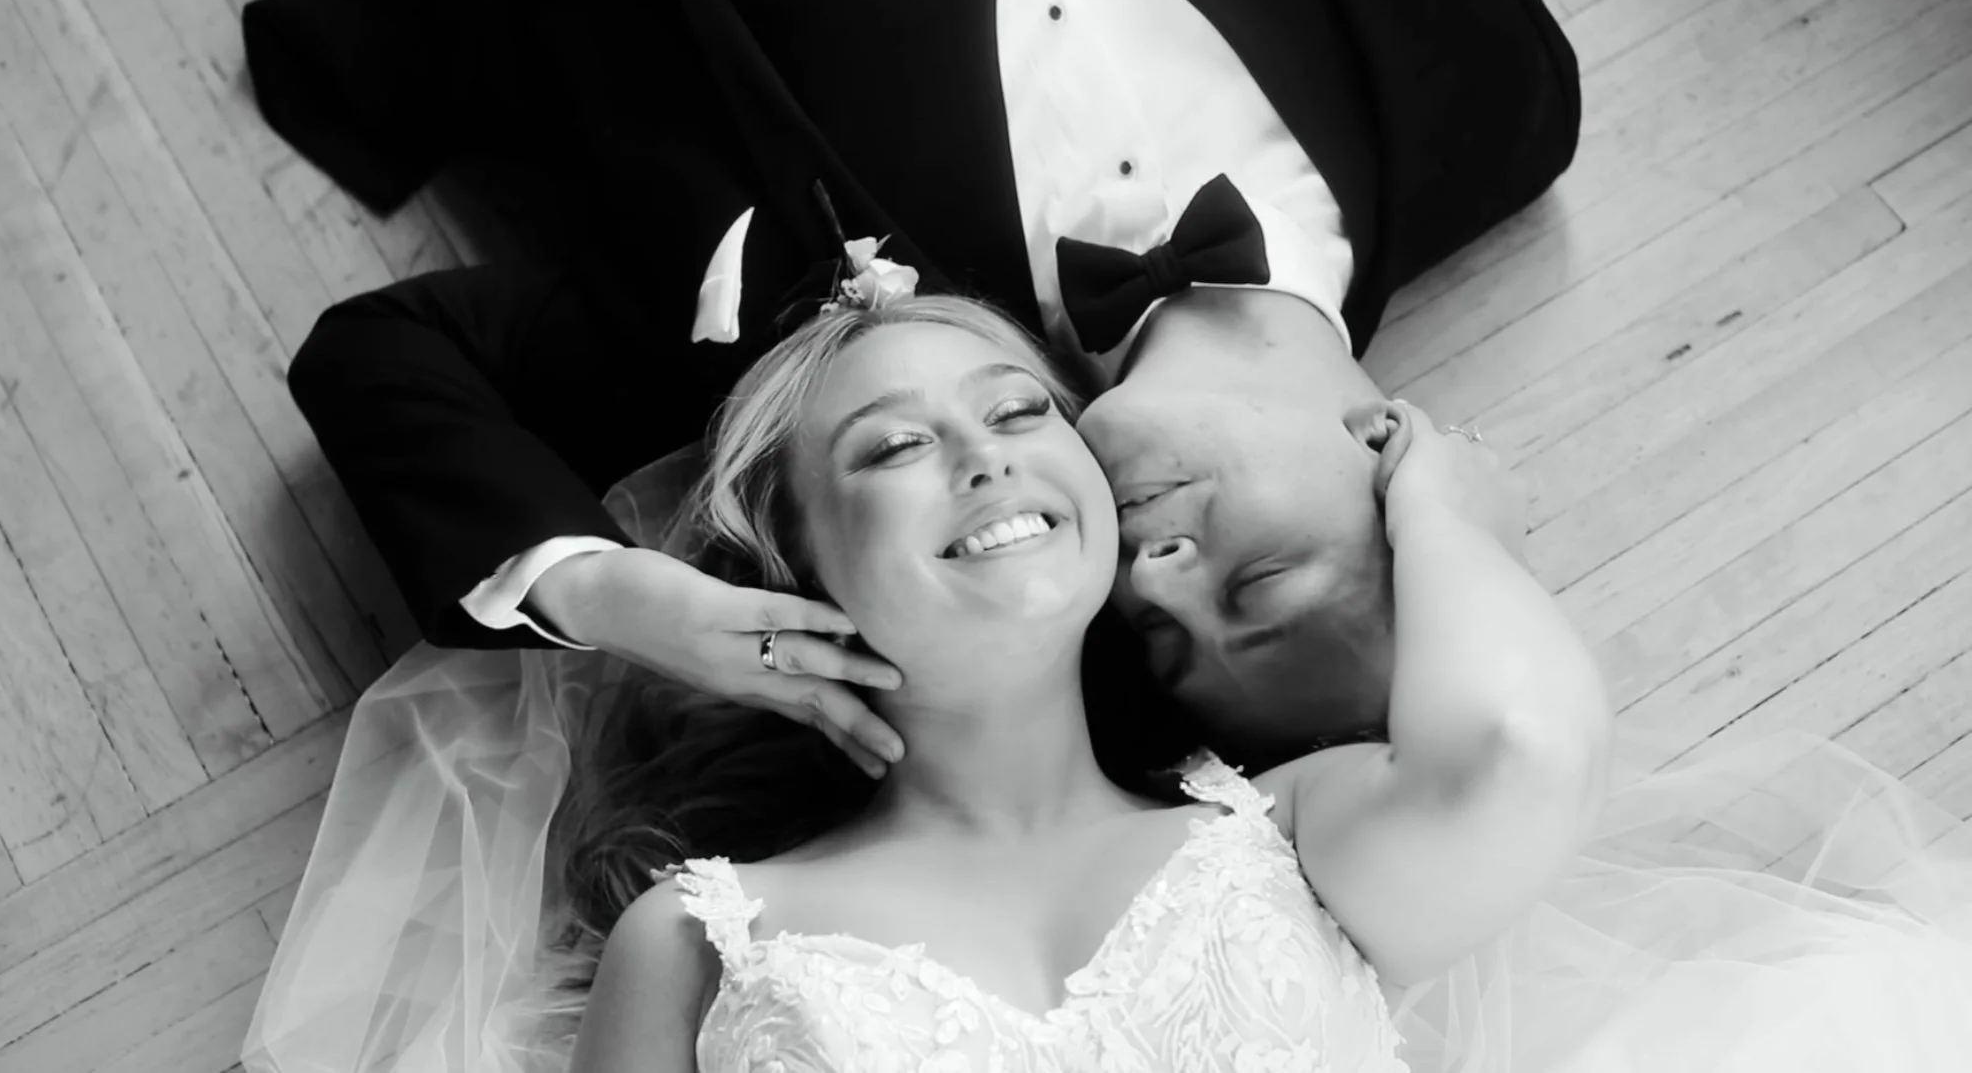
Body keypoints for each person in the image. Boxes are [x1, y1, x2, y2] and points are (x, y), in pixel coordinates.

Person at [243, 289, 1972, 1073]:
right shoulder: (697, 940)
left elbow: (1520, 746)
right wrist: (640, 600)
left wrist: (1441, 498)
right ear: (800, 575)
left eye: (1019, 416)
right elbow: (378, 354)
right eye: (895, 451)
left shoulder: (1283, 841)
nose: (989, 463)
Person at [242, 0, 1583, 762]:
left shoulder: (836, 360)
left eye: (1163, 639)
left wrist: (615, 596)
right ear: (1390, 449)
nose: (1159, 582)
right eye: (1259, 585)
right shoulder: (1497, 113)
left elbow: (383, 359)